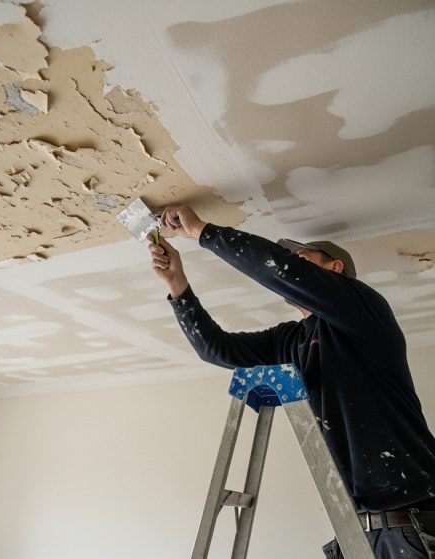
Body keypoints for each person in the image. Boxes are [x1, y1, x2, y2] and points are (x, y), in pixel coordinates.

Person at [147, 205, 435, 559]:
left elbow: (284, 272)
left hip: (415, 522)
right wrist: (177, 284)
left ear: (335, 269)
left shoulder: (365, 310)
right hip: (356, 531)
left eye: (302, 258)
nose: (291, 263)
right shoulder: (291, 340)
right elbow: (216, 349)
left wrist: (201, 231)